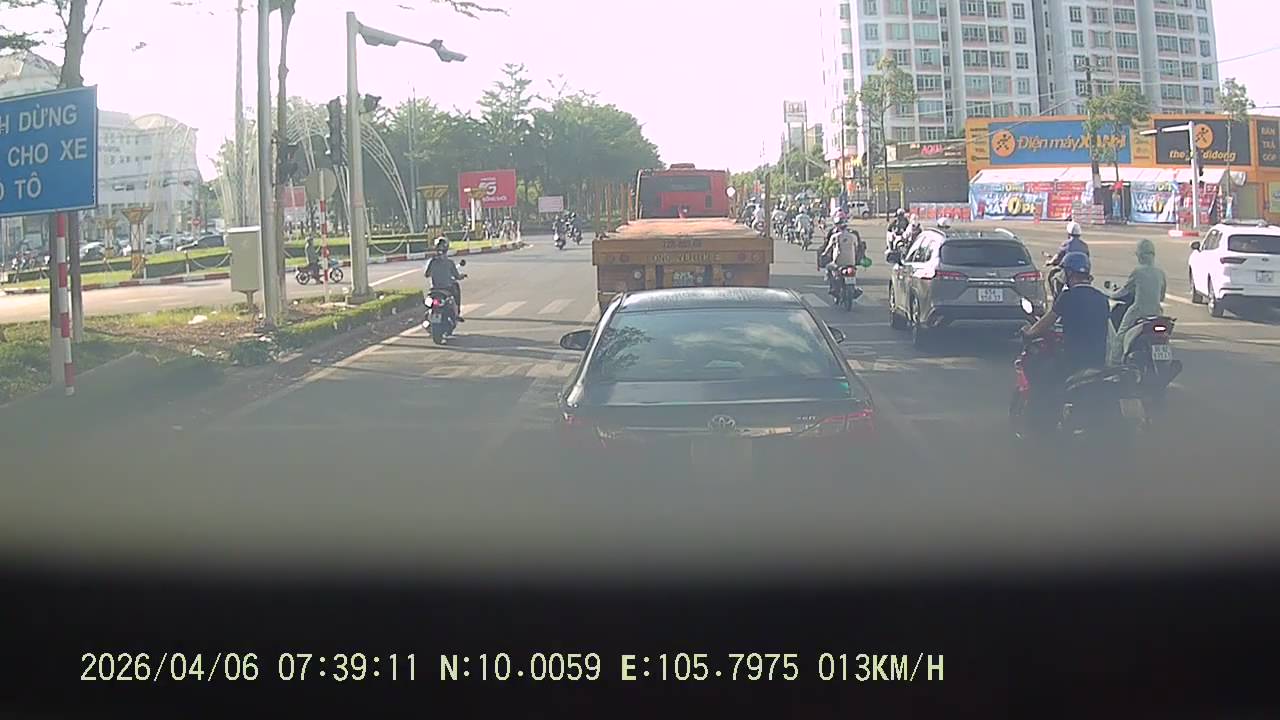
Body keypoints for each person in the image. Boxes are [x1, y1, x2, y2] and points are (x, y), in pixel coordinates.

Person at [1023, 251, 1110, 377]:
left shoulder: (1067, 297)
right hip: (1098, 361)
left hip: (1074, 360)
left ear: (1069, 273)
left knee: (1045, 374)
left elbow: (1046, 322)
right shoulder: (1102, 298)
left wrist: (1029, 333)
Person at [1109, 238, 1167, 366]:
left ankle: (1115, 363)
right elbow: (1162, 297)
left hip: (1138, 310)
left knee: (1120, 335)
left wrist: (1111, 295)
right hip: (1157, 312)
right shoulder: (1160, 273)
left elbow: (1124, 291)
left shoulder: (1138, 271)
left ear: (1140, 255)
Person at [424, 237, 465, 323]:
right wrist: (462, 276)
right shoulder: (449, 262)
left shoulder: (431, 261)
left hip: (434, 289)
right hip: (447, 288)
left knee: (428, 302)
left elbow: (426, 274)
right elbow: (457, 276)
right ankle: (457, 313)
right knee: (456, 291)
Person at [821, 221, 865, 296]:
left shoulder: (835, 236)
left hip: (838, 262)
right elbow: (857, 247)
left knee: (828, 267)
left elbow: (828, 248)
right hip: (851, 262)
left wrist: (823, 254)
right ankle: (854, 289)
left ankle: (833, 287)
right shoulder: (853, 236)